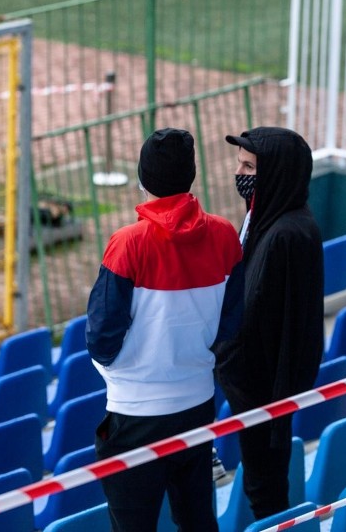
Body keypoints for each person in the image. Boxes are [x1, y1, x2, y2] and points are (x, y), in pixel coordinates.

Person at [86, 127, 244, 531]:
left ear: (143, 179)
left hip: (135, 415)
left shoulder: (127, 243)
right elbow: (231, 324)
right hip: (197, 405)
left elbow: (102, 335)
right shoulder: (225, 234)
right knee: (197, 520)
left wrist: (122, 374)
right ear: (190, 174)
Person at [214, 126, 324, 520]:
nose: (238, 172)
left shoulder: (288, 234)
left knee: (266, 489)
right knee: (263, 482)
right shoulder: (266, 218)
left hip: (264, 390)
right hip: (253, 385)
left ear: (275, 173)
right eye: (239, 163)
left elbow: (271, 318)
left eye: (248, 166)